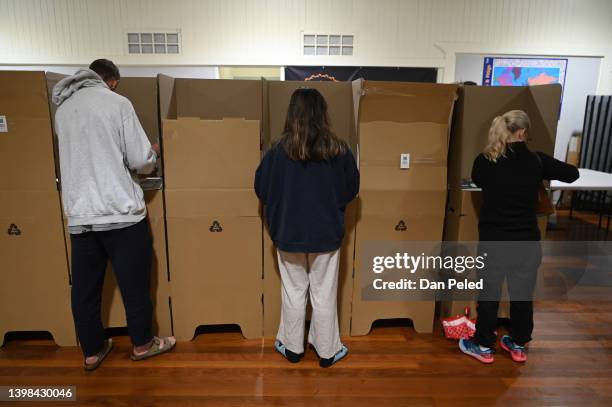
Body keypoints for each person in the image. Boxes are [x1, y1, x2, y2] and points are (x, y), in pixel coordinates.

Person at [53, 59, 176, 371]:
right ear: (111, 81)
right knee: (134, 286)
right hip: (121, 213)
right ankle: (143, 345)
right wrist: (154, 153)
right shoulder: (117, 104)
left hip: (81, 217)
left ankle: (93, 351)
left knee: (84, 291)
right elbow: (140, 161)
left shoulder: (63, 110)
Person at [459, 110, 579, 364]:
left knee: (489, 292)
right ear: (522, 132)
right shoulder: (537, 161)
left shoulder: (485, 159)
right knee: (522, 293)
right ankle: (518, 344)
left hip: (494, 239)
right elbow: (572, 174)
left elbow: (479, 180)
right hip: (526, 241)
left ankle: (482, 345)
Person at [255, 88, 359, 368]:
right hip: (326, 234)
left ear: (291, 113)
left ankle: (292, 348)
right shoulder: (339, 149)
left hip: (288, 234)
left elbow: (261, 189)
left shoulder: (277, 151)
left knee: (294, 291)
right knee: (324, 293)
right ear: (322, 113)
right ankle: (327, 352)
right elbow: (352, 189)